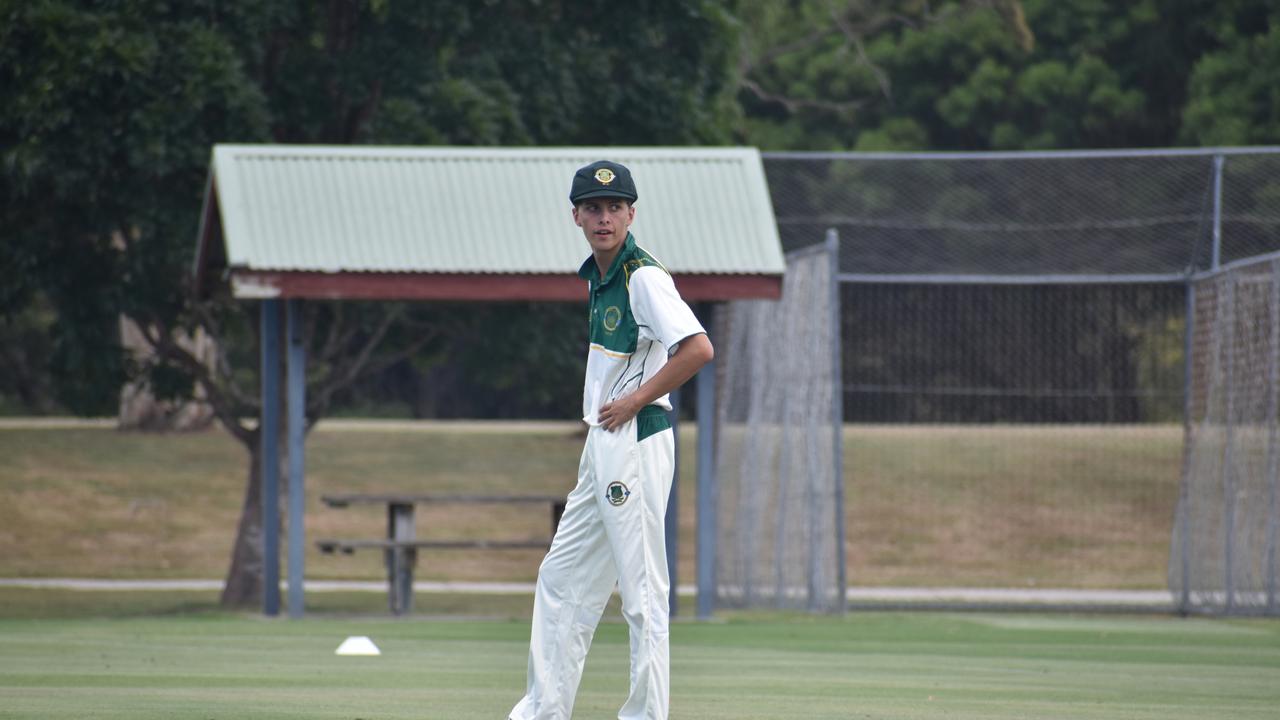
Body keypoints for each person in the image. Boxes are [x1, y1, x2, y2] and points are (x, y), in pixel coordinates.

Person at [509, 160, 714, 720]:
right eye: (593, 208)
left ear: (631, 213)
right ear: (575, 214)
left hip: (637, 440)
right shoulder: (598, 277)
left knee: (643, 592)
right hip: (603, 444)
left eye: (615, 207)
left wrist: (634, 401)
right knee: (561, 578)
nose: (605, 218)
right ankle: (542, 711)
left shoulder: (643, 276)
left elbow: (697, 349)